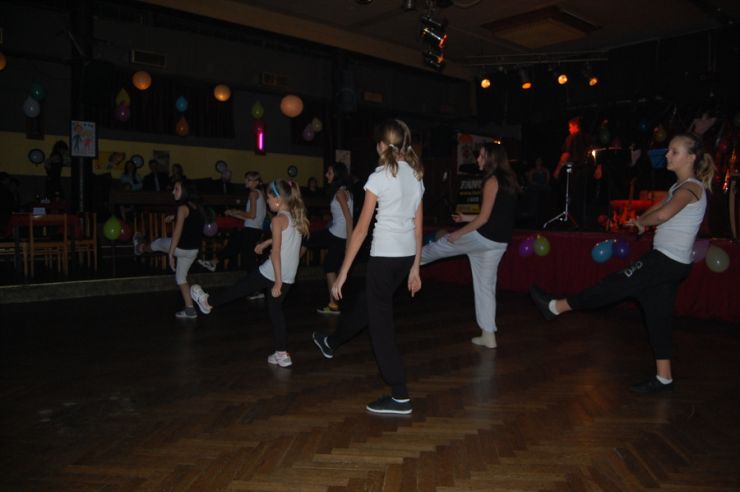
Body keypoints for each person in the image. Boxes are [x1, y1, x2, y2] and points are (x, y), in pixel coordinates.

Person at [530, 133, 715, 394]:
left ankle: (556, 307)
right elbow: (657, 208)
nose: (667, 155)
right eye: (669, 150)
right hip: (673, 264)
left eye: (674, 151)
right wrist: (640, 220)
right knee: (658, 316)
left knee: (613, 284)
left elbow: (663, 214)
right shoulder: (680, 187)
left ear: (691, 158)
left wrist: (645, 222)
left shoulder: (691, 188)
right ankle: (664, 378)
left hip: (665, 262)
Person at [312, 119, 424, 415]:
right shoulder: (416, 174)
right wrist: (415, 267)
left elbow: (361, 229)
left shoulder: (379, 176)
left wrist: (343, 272)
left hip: (385, 258)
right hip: (404, 258)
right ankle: (331, 342)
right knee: (367, 305)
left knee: (380, 325)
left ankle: (399, 395)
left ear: (381, 146)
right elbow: (418, 224)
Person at [190, 180, 310, 368]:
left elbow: (276, 253)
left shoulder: (277, 220)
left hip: (273, 273)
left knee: (239, 289)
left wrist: (277, 282)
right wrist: (265, 243)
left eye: (268, 198)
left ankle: (207, 302)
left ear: (277, 200)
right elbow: (286, 239)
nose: (267, 202)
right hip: (289, 275)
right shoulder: (295, 217)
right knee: (276, 311)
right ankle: (282, 354)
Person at [421, 142, 519, 349]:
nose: (478, 159)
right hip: (499, 242)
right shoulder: (508, 180)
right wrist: (465, 217)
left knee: (443, 244)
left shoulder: (491, 180)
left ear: (491, 158)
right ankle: (488, 335)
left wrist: (459, 232)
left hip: (484, 237)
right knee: (485, 287)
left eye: (481, 155)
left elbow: (484, 219)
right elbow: (494, 215)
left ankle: (409, 261)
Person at [133, 179, 205, 319]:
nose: (173, 192)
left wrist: (171, 254)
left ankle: (140, 247)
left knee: (158, 243)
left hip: (180, 248)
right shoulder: (197, 207)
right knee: (181, 278)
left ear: (184, 191)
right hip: (193, 251)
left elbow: (177, 233)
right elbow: (190, 221)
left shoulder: (182, 208)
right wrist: (175, 217)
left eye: (176, 189)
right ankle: (190, 310)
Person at [307, 162, 353, 315]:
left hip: (337, 235)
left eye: (330, 172)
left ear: (337, 175)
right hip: (337, 234)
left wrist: (349, 243)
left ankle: (333, 304)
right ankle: (333, 304)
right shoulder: (346, 191)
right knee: (330, 267)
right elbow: (341, 217)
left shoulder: (340, 193)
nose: (326, 175)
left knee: (306, 238)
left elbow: (349, 219)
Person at [198, 171, 266, 273]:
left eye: (249, 180)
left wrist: (236, 211)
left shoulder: (253, 193)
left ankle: (258, 277)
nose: (245, 181)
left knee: (248, 259)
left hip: (251, 230)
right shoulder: (259, 193)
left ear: (256, 182)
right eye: (246, 179)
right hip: (253, 229)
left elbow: (252, 215)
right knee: (233, 246)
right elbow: (251, 217)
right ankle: (213, 262)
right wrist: (233, 213)